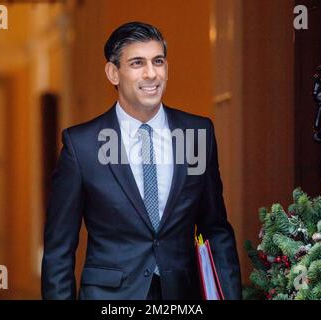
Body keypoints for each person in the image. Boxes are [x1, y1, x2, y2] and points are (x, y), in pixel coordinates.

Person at [41, 21, 241, 300]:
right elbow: (59, 251)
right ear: (113, 73)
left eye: (158, 61)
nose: (151, 74)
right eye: (137, 63)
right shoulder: (81, 146)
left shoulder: (198, 134)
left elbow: (216, 230)